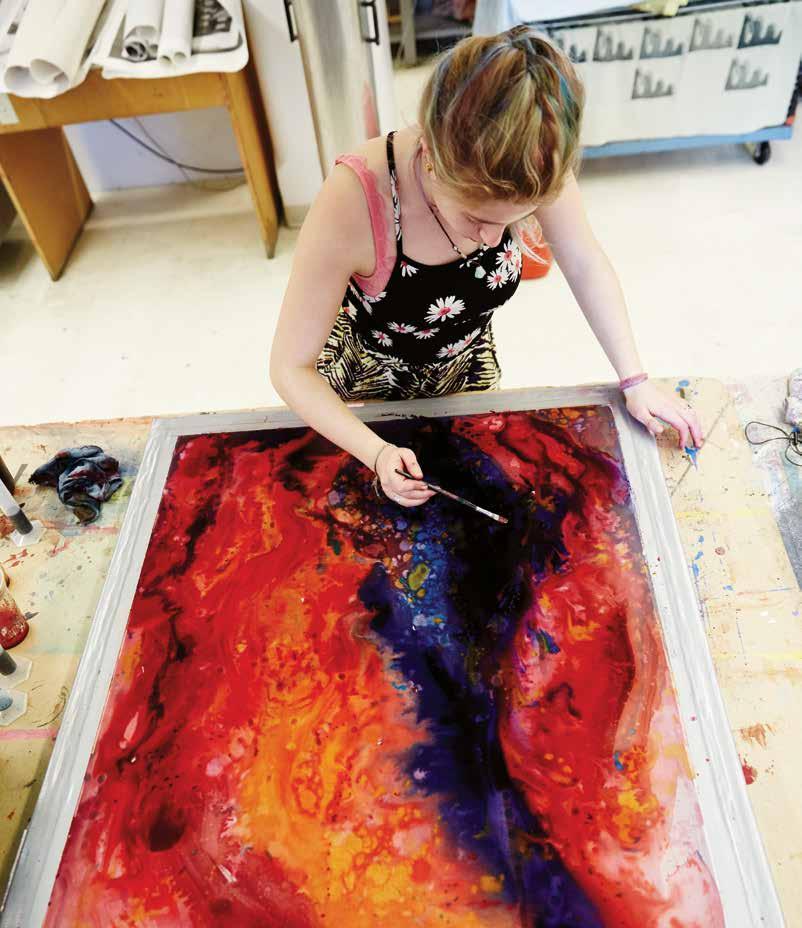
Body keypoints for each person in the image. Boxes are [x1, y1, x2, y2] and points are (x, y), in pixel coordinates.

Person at [270, 25, 703, 508]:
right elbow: (291, 368)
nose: (494, 241)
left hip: (469, 367)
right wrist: (376, 452)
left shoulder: (534, 157)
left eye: (514, 221)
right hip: (365, 388)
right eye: (477, 219)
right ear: (432, 160)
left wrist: (634, 380)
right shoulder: (355, 198)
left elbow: (583, 260)